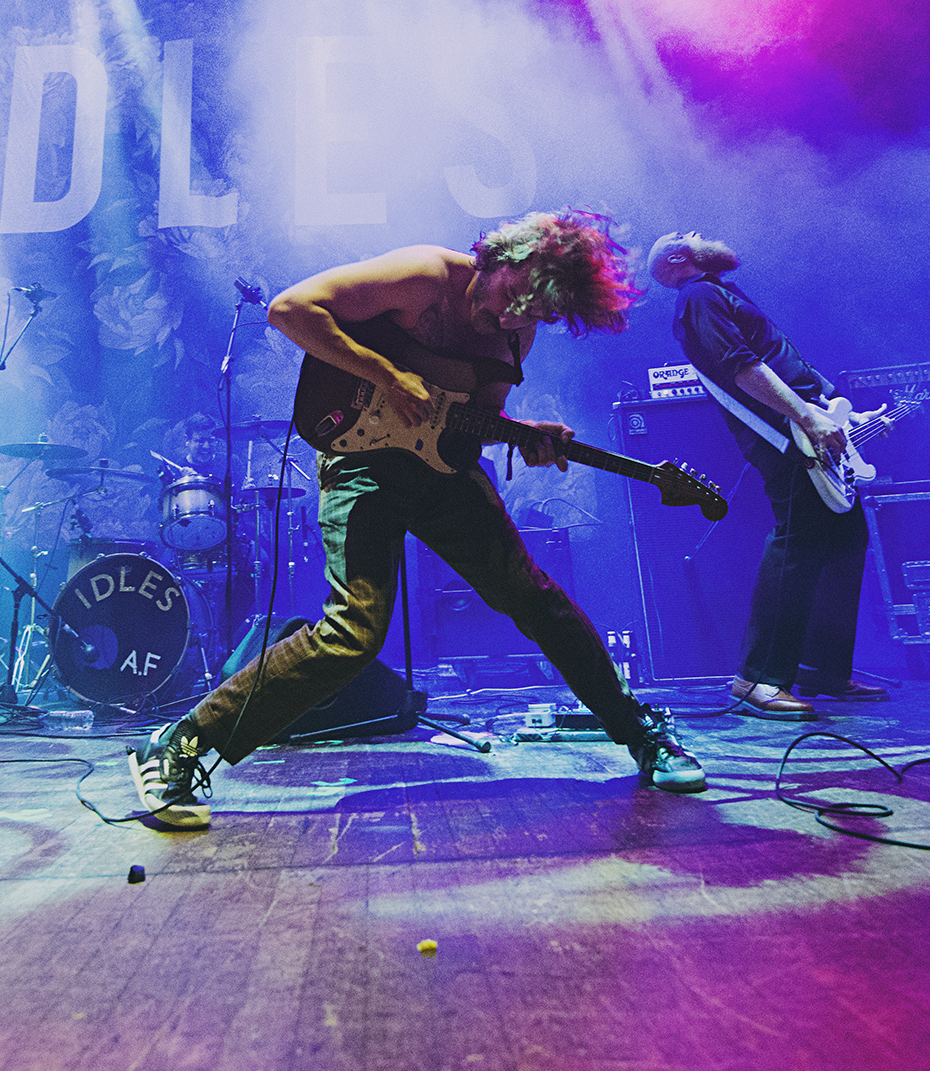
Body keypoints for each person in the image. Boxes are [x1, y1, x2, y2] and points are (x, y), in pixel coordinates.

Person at [129, 211, 707, 829]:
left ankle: (640, 733)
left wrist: (521, 435)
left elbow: (471, 415)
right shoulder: (424, 274)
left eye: (534, 314)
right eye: (514, 298)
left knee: (534, 596)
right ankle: (180, 745)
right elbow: (291, 310)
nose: (513, 318)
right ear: (498, 257)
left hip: (439, 472)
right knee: (354, 633)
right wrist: (387, 375)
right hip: (361, 465)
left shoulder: (518, 331)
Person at [648, 232, 887, 720]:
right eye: (690, 236)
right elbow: (742, 368)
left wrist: (832, 411)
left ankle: (821, 668)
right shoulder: (698, 296)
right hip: (784, 435)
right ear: (677, 256)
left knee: (845, 540)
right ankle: (756, 678)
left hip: (809, 424)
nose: (703, 236)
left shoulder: (723, 291)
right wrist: (805, 416)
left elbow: (777, 356)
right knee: (795, 545)